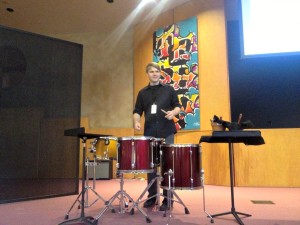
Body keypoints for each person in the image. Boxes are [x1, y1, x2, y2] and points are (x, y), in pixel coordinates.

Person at [133, 62, 181, 211]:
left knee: (167, 165)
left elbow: (178, 106)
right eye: (151, 71)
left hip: (167, 131)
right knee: (151, 167)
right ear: (147, 74)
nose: (154, 73)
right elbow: (137, 111)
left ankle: (168, 199)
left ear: (160, 74)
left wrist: (173, 113)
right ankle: (152, 196)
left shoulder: (169, 90)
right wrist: (136, 121)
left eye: (157, 71)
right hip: (149, 133)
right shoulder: (142, 93)